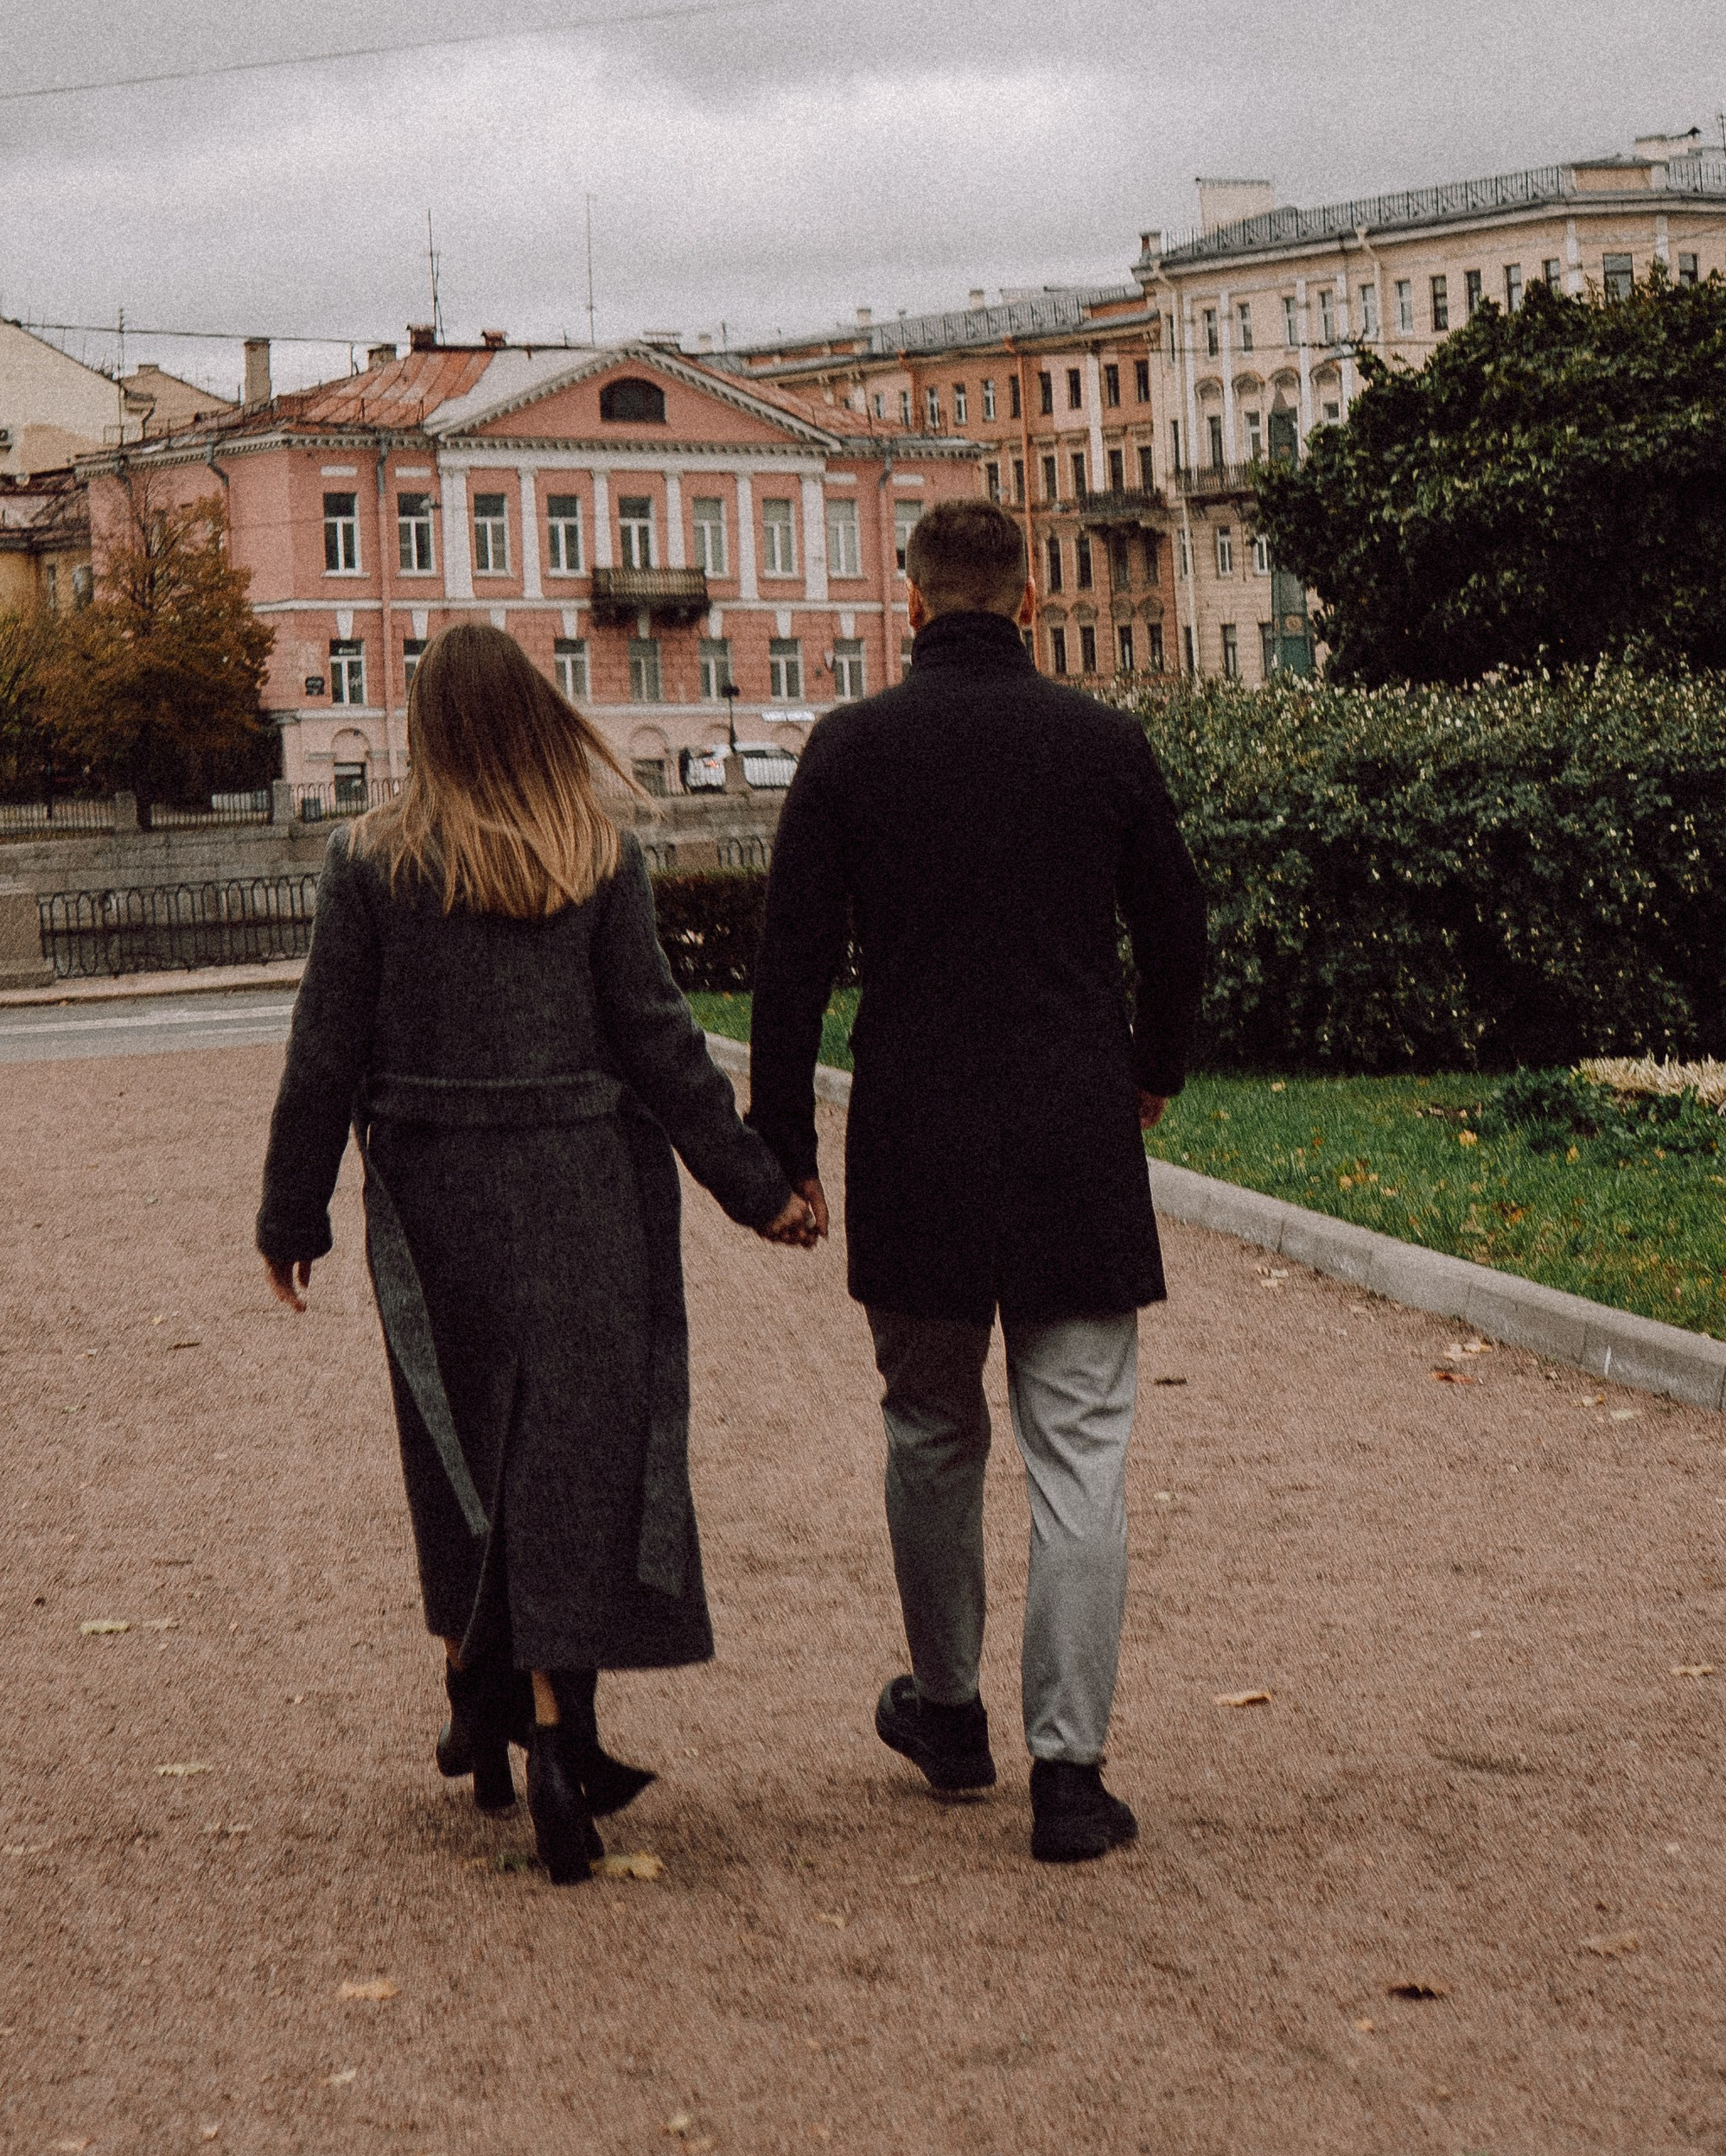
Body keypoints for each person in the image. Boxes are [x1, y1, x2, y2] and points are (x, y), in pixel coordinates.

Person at [258, 623, 818, 1887]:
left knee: (460, 1450)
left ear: (426, 727)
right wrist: (756, 1189)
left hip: (436, 1190)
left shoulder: (369, 862)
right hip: (582, 1190)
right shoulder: (597, 856)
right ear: (539, 715)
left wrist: (292, 1216)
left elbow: (322, 1053)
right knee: (572, 1460)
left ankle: (473, 1685)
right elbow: (662, 1043)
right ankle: (565, 1735)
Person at [749, 496, 1206, 1865]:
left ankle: (948, 1714)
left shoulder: (850, 748)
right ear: (1028, 603)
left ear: (910, 604)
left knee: (930, 1432)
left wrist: (787, 1152)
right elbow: (1178, 925)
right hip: (1073, 1137)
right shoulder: (1104, 743)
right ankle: (1071, 1773)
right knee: (1081, 1454)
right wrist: (1153, 1067)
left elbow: (788, 969)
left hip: (917, 1142)